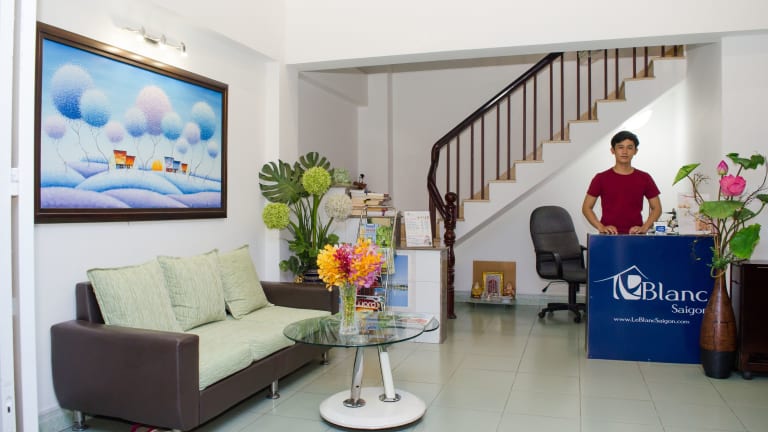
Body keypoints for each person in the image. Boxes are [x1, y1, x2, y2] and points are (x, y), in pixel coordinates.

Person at [582, 130, 661, 234]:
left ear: (635, 151)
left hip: (635, 235)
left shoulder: (644, 178)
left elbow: (657, 208)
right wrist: (601, 227)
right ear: (612, 150)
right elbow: (586, 208)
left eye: (629, 147)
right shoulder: (600, 178)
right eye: (620, 147)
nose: (625, 152)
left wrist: (644, 227)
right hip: (608, 236)